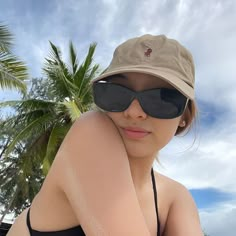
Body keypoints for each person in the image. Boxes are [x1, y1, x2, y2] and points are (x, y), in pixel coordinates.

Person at [7, 34, 203, 236]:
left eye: (162, 98)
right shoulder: (90, 131)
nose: (134, 112)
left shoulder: (176, 198)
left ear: (184, 117)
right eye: (117, 92)